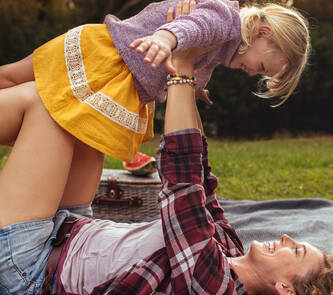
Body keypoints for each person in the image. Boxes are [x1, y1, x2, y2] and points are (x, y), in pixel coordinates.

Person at [0, 42, 333, 295]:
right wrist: (194, 85)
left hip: (30, 263)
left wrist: (182, 69)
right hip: (71, 227)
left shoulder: (212, 288)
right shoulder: (228, 248)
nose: (286, 239)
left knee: (46, 107)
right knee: (91, 112)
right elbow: (201, 177)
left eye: (295, 251)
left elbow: (183, 190)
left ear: (285, 290)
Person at [0, 0, 310, 228]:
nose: (253, 73)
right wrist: (165, 38)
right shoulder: (224, 17)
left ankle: (69, 220)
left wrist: (195, 88)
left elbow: (185, 67)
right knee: (15, 82)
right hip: (105, 58)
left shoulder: (218, 52)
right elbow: (193, 27)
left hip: (119, 81)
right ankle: (66, 218)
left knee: (81, 136)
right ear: (263, 33)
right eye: (263, 68)